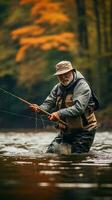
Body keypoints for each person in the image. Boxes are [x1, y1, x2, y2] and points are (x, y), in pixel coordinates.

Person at [29, 61, 98, 154]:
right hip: (66, 130)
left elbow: (79, 108)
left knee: (77, 157)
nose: (63, 77)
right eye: (60, 75)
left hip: (85, 130)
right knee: (50, 153)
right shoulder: (57, 88)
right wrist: (39, 109)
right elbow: (48, 104)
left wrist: (59, 113)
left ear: (72, 71)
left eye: (66, 73)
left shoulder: (82, 86)